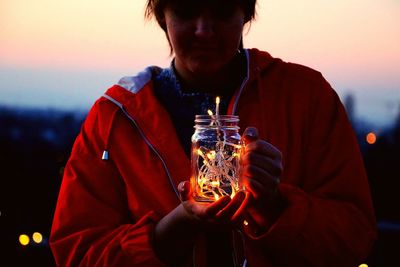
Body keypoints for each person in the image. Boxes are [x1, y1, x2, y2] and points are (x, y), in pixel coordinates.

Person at [50, 0, 377, 266]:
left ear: (246, 12)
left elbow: (354, 240)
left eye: (221, 11)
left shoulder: (306, 99)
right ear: (161, 15)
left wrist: (275, 206)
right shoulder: (115, 118)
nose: (204, 30)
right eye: (186, 10)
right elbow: (75, 252)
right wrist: (170, 230)